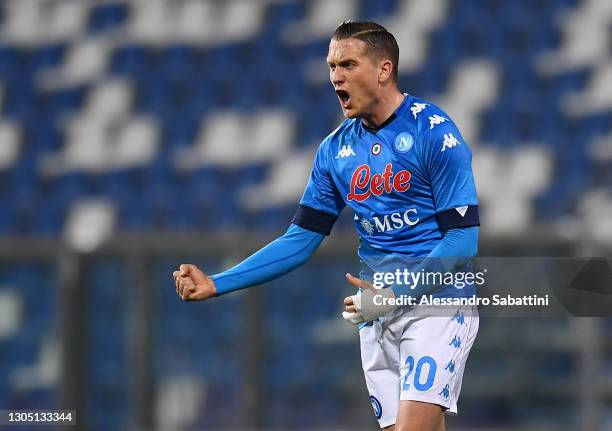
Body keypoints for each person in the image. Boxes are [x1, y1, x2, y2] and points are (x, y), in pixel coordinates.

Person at [173, 20, 480, 431]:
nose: (336, 76)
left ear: (384, 70)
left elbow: (462, 239)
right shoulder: (335, 150)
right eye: (332, 65)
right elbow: (300, 240)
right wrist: (217, 282)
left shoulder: (434, 132)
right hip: (374, 313)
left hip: (436, 303)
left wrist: (395, 292)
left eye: (348, 64)